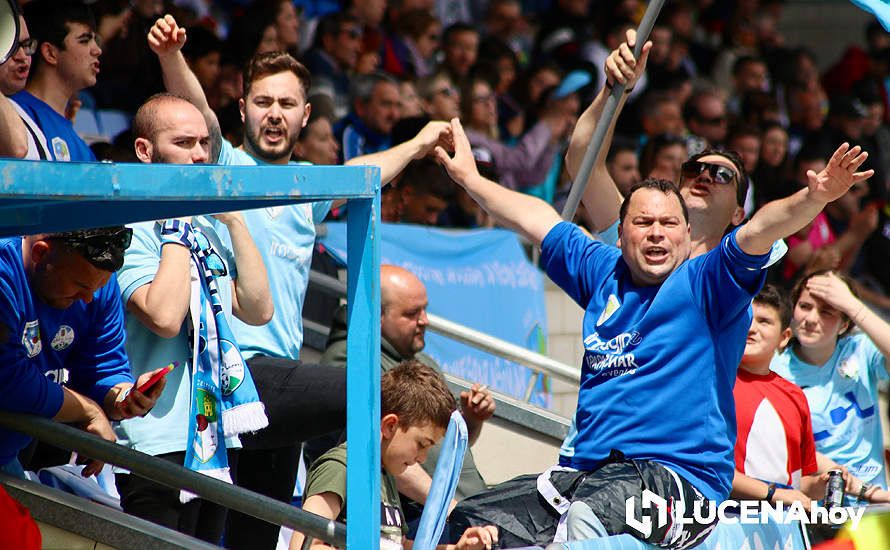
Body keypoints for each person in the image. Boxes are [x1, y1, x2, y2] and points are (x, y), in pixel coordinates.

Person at [433, 111, 872, 547]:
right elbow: (536, 219)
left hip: (678, 483)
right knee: (470, 518)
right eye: (643, 223)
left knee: (589, 520)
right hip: (582, 475)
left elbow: (760, 228)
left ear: (686, 234)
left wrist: (815, 199)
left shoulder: (708, 282)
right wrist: (470, 179)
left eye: (668, 224)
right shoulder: (603, 268)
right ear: (619, 233)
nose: (657, 233)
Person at [148, 14, 454, 549]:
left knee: (253, 539)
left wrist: (420, 143)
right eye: (263, 102)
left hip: (277, 391)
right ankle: (395, 501)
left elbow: (364, 173)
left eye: (287, 105)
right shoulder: (226, 164)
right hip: (235, 368)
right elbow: (198, 115)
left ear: (305, 115)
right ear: (243, 108)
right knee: (366, 389)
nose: (274, 115)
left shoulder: (307, 187)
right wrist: (172, 57)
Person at [112, 93, 273, 543]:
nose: (200, 154)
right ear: (145, 151)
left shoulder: (206, 225)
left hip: (215, 436)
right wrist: (176, 223)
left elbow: (259, 310)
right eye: (184, 143)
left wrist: (235, 221)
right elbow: (164, 317)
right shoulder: (130, 225)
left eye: (203, 142)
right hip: (155, 439)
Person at [321, 265, 493, 518]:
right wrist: (447, 508)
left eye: (425, 309)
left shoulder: (422, 362)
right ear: (376, 315)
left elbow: (443, 446)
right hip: (424, 519)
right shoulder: (353, 362)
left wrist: (471, 419)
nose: (425, 320)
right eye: (412, 313)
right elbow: (383, 449)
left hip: (463, 510)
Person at [0, 226, 164, 478]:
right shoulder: (4, 268)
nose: (89, 297)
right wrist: (86, 410)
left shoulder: (97, 288)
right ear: (40, 253)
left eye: (99, 286)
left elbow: (103, 367)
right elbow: (6, 376)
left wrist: (123, 397)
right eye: (80, 285)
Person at [290, 360, 499, 550]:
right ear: (390, 426)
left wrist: (456, 549)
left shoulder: (386, 476)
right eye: (421, 444)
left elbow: (397, 546)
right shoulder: (341, 467)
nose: (422, 458)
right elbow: (303, 545)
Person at [771, 271, 890, 492]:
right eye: (805, 307)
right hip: (818, 504)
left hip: (876, 497)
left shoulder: (860, 349)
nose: (811, 319)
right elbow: (782, 444)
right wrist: (838, 476)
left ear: (845, 325)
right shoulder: (775, 369)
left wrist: (852, 305)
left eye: (827, 312)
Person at [13, 0, 102, 162]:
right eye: (84, 40)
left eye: (96, 40)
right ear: (50, 53)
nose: (97, 50)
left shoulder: (80, 146)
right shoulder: (14, 113)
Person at [0, 12, 46, 160]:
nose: (22, 56)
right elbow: (17, 149)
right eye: (10, 46)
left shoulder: (19, 111)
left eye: (26, 45)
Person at [338, 71, 401, 161]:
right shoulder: (350, 133)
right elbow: (355, 174)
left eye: (397, 105)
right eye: (386, 104)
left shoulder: (388, 135)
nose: (394, 115)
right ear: (361, 107)